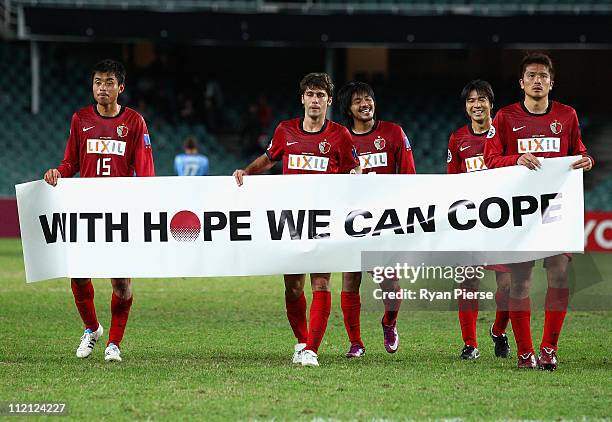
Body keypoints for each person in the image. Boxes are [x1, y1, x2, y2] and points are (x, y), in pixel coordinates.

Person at [233, 73, 361, 367]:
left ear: (328, 101)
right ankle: (303, 341)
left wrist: (355, 175)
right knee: (293, 287)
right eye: (311, 94)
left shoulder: (340, 135)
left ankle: (312, 350)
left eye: (320, 95)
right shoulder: (286, 130)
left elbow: (354, 169)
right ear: (302, 98)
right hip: (290, 219)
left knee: (321, 283)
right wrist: (247, 172)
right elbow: (269, 158)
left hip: (325, 220)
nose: (315, 100)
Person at [484, 52, 594, 370]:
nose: (537, 80)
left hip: (556, 211)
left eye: (542, 75)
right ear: (521, 82)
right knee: (521, 282)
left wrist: (587, 160)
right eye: (531, 75)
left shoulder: (567, 116)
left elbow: (579, 151)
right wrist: (514, 159)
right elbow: (491, 161)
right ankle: (524, 352)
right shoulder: (504, 118)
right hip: (519, 214)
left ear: (551, 82)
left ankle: (548, 349)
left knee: (560, 274)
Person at [43, 59, 155, 363]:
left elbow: (145, 172)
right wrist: (58, 173)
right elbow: (71, 163)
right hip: (86, 211)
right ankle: (92, 329)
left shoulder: (134, 122)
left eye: (108, 83)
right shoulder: (80, 119)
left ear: (120, 87)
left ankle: (114, 343)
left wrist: (144, 206)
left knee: (120, 282)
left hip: (119, 213)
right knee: (78, 276)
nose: (102, 88)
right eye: (97, 82)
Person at [336, 81, 416, 358]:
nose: (365, 103)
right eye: (358, 101)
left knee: (390, 282)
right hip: (350, 220)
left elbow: (408, 176)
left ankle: (389, 322)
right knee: (350, 279)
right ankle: (356, 343)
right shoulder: (340, 138)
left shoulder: (393, 133)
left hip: (385, 221)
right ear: (348, 108)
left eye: (368, 98)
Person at [447, 80, 512, 360]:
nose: (477, 104)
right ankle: (470, 344)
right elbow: (451, 183)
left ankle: (498, 331)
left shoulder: (505, 136)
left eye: (482, 99)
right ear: (465, 107)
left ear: (491, 104)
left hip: (503, 222)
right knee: (468, 282)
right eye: (472, 100)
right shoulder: (457, 139)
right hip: (469, 222)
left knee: (509, 286)